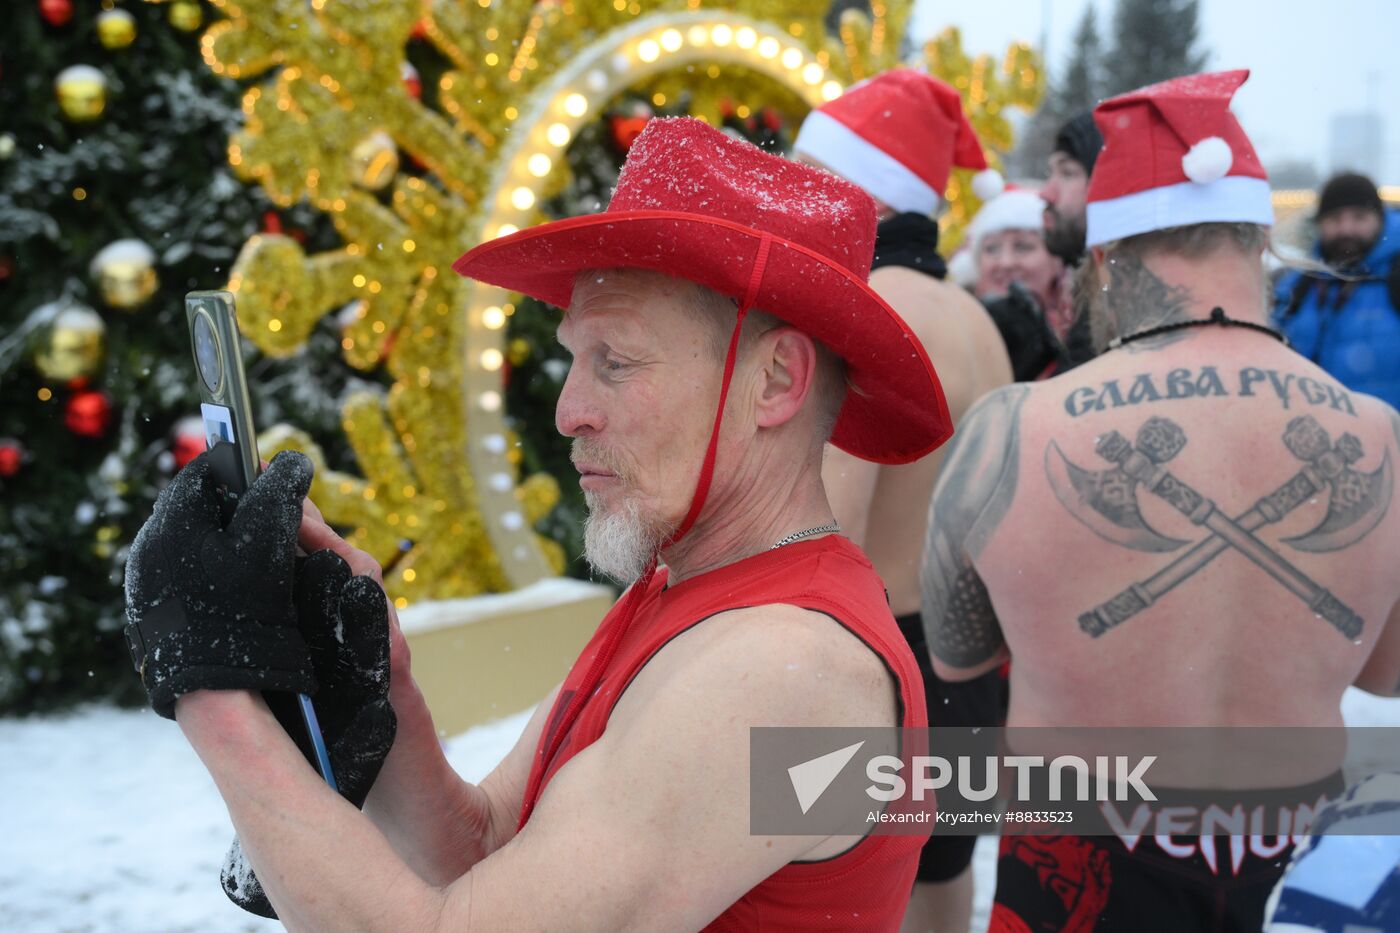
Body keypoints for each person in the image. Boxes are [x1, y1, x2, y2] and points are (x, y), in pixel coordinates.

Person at [122, 117, 951, 930]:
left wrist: (212, 688)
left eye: (614, 361)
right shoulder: (691, 592)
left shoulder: (783, 669)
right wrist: (381, 676)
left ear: (775, 381)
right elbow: (484, 851)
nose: (567, 410)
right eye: (573, 358)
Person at [920, 70, 1400, 931]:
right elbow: (1386, 672)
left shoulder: (1012, 431)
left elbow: (957, 660)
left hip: (1071, 872)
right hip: (1273, 874)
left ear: (1105, 261)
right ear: (1262, 239)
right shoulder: (1382, 438)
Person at [792, 68, 1013, 933]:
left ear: (870, 194)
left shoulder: (869, 310)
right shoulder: (974, 314)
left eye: (814, 173)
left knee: (847, 900)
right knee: (943, 879)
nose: (796, 190)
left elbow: (830, 529)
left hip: (882, 663)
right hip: (969, 658)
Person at [1274, 171, 1400, 409]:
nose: (1346, 229)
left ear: (1380, 219)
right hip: (1314, 428)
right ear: (1320, 224)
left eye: (1359, 217)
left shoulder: (1394, 276)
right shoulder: (1296, 286)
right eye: (1334, 218)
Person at [964, 188, 1072, 380]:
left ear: (1057, 261)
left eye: (1023, 247)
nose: (1005, 262)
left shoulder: (1083, 332)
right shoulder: (955, 327)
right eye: (992, 249)